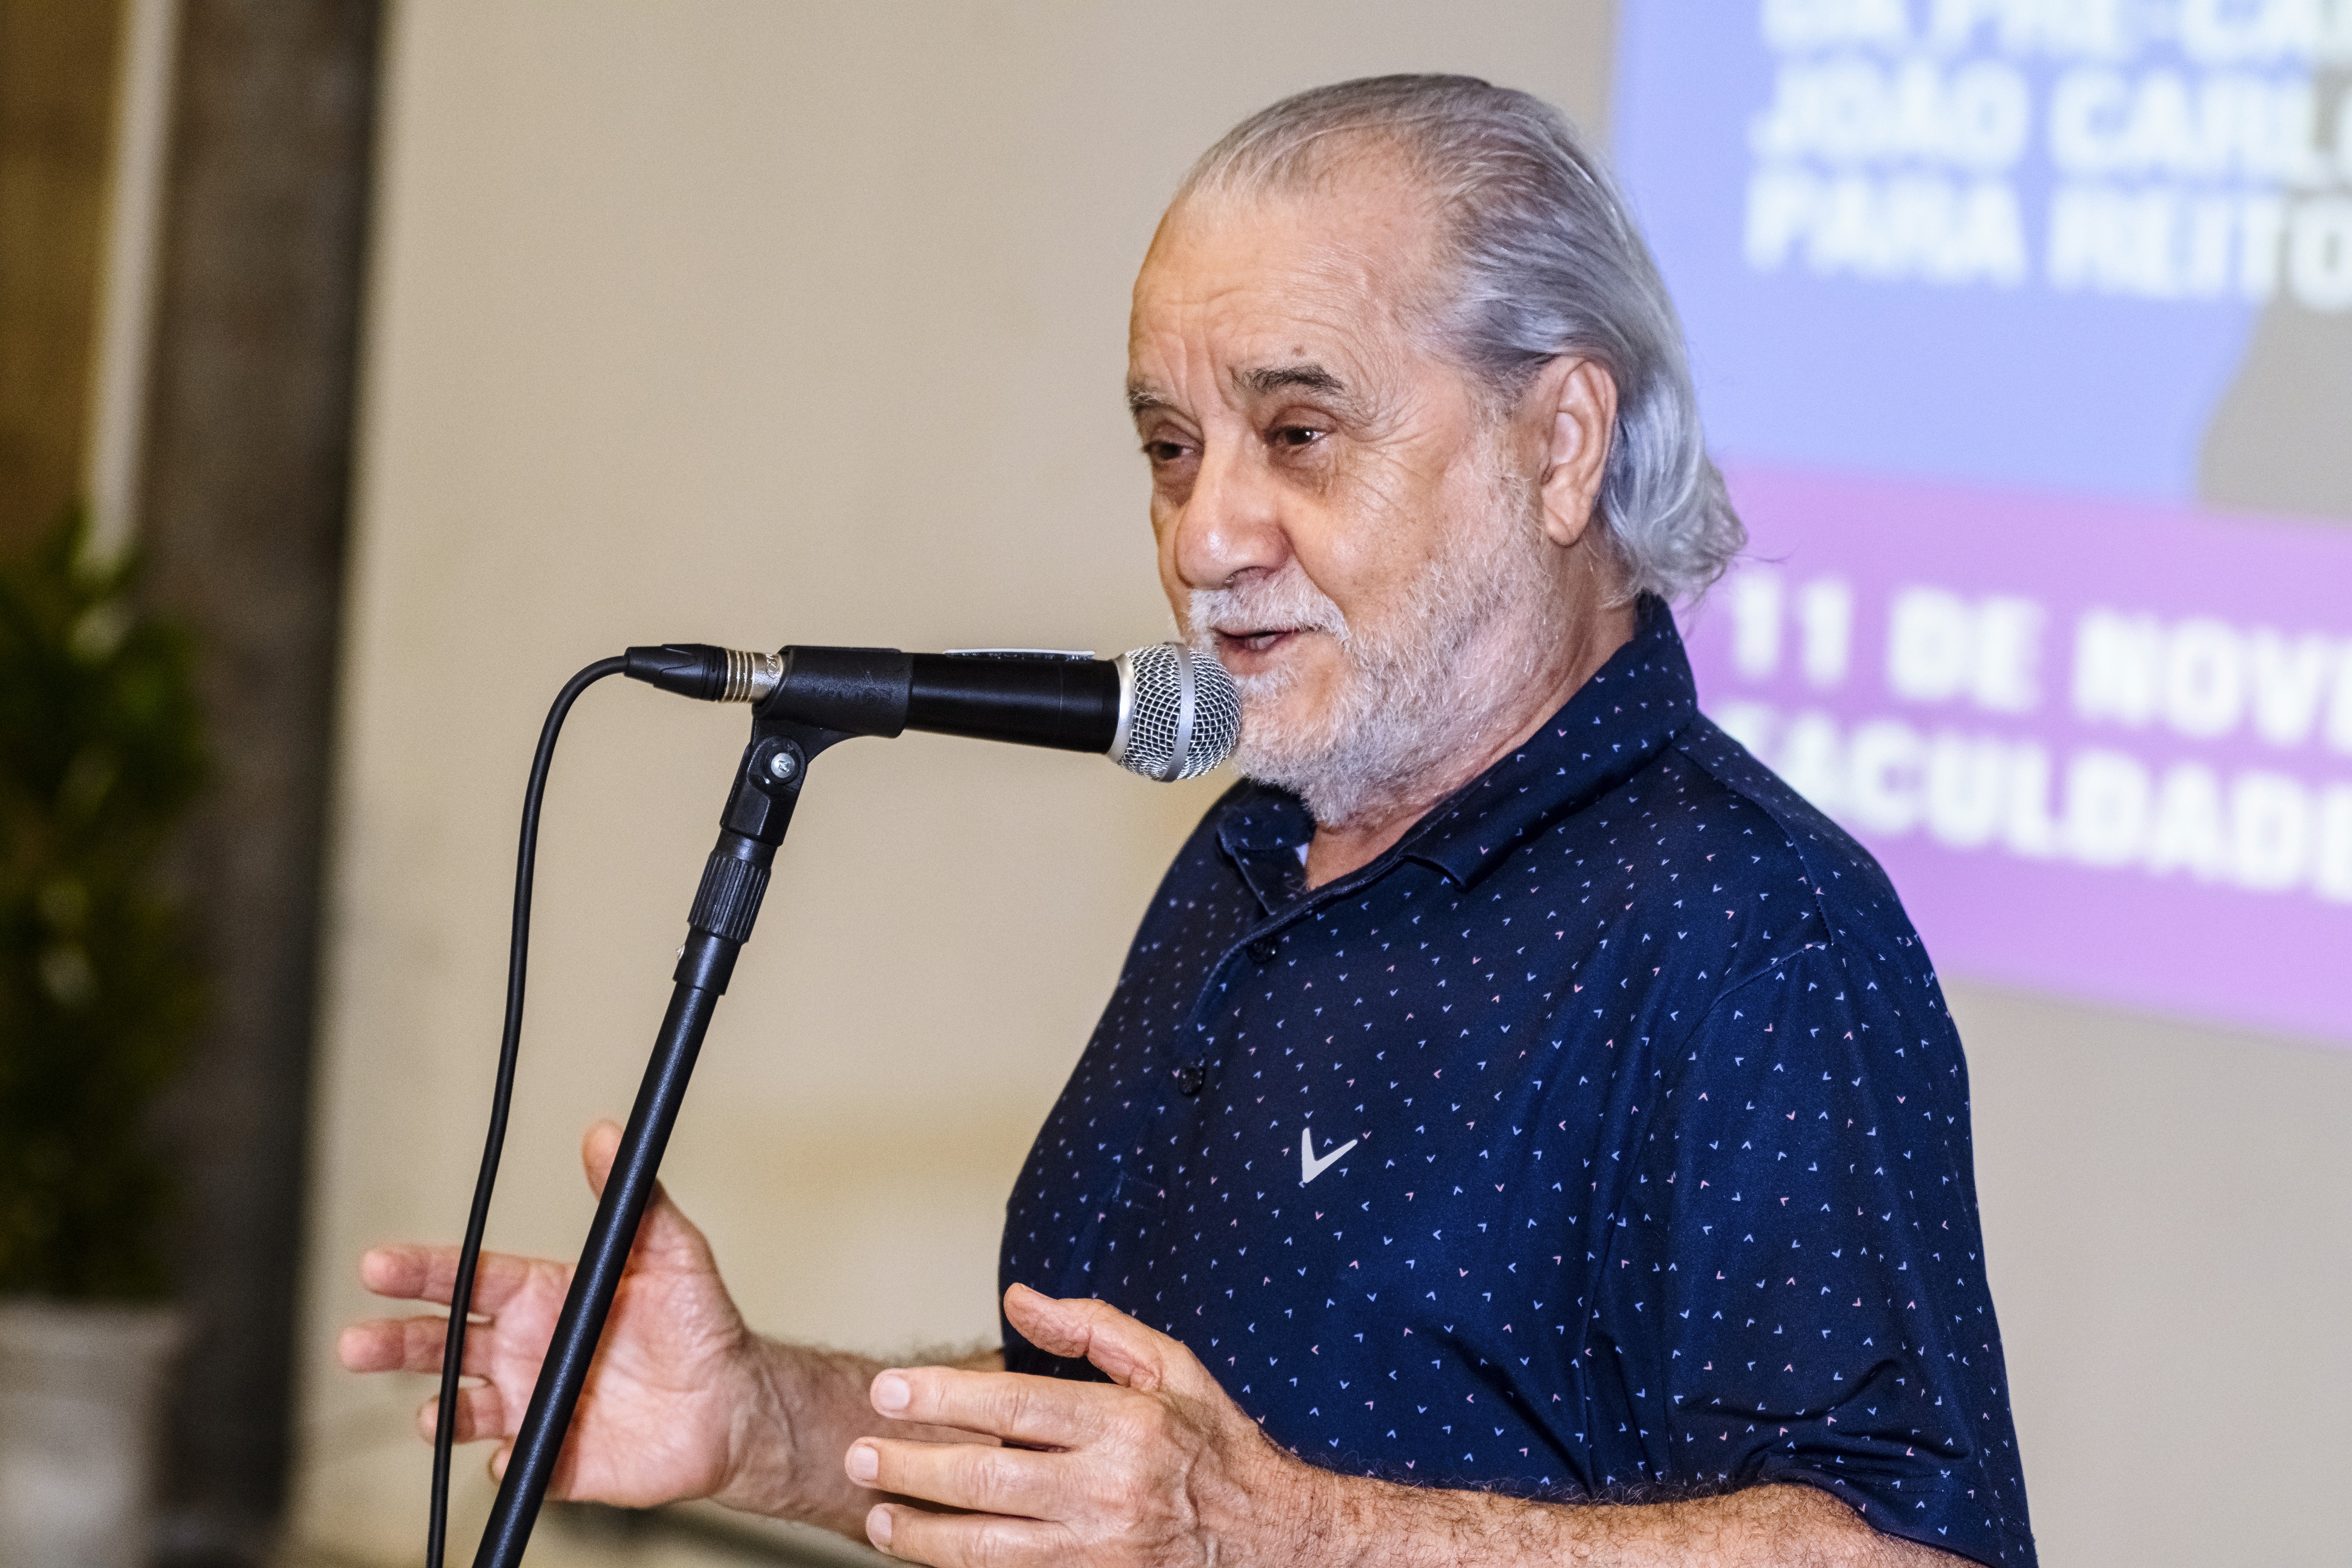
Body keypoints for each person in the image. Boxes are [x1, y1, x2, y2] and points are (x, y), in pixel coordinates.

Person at [341, 76, 2035, 1568]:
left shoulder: (1747, 932)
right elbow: (1117, 1473)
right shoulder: (1252, 852)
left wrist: (1283, 1537)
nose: (1208, 535)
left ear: (1561, 443)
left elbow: (1914, 1550)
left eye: (1299, 432)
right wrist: (764, 1422)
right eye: (1170, 446)